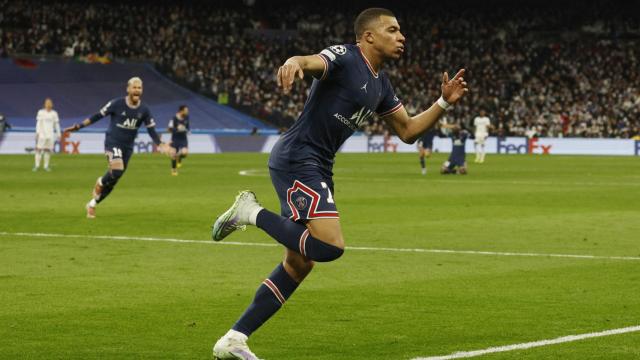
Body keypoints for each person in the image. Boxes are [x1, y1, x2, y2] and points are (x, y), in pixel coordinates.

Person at [209, 8, 468, 359]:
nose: (401, 36)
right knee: (329, 246)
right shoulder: (346, 57)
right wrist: (294, 62)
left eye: (401, 30)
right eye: (392, 30)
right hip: (299, 157)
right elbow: (313, 61)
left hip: (317, 164)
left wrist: (441, 103)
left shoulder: (380, 83)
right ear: (369, 36)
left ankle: (234, 339)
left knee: (300, 263)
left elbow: (408, 131)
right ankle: (249, 211)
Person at [64, 77, 169, 218]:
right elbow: (97, 116)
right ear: (128, 89)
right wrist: (79, 126)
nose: (137, 90)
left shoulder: (144, 109)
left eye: (139, 88)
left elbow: (151, 129)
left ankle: (92, 204)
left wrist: (160, 144)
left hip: (128, 147)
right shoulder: (116, 103)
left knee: (114, 179)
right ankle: (100, 181)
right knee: (117, 169)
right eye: (134, 87)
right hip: (113, 142)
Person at [34, 98, 61, 171]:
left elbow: (56, 124)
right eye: (47, 104)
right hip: (42, 135)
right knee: (39, 150)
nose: (48, 105)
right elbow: (38, 123)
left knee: (47, 150)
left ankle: (46, 166)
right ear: (45, 104)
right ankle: (37, 166)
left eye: (50, 104)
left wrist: (59, 134)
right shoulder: (41, 112)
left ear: (51, 105)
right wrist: (37, 132)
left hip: (50, 135)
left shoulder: (54, 113)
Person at [167, 105, 190, 176]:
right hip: (175, 139)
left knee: (185, 153)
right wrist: (177, 128)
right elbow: (169, 129)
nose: (187, 112)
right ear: (181, 111)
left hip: (183, 139)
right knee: (173, 154)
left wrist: (186, 130)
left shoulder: (187, 118)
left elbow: (188, 128)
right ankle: (174, 170)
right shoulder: (173, 119)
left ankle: (179, 158)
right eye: (186, 110)